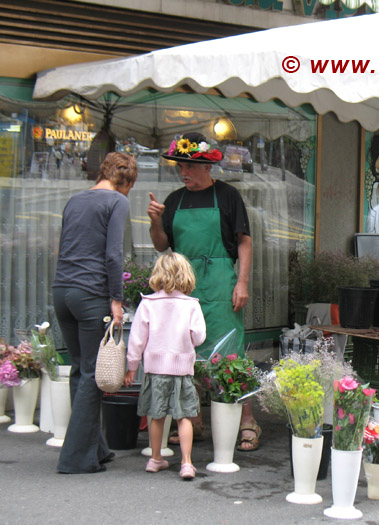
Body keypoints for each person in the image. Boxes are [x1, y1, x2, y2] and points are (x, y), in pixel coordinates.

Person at [147, 132, 260, 451]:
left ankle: (247, 420)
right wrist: (156, 221)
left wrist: (243, 282)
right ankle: (193, 420)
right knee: (186, 352)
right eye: (180, 166)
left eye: (190, 166)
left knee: (230, 353)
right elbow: (161, 244)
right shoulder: (174, 200)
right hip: (182, 286)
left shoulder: (227, 196)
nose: (183, 172)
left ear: (207, 167)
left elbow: (244, 242)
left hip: (221, 283)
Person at [53, 152, 137, 474]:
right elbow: (114, 254)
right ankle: (76, 458)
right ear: (126, 180)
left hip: (62, 291)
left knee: (79, 369)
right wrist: (116, 298)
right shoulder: (116, 202)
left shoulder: (75, 200)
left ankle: (96, 448)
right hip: (90, 295)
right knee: (92, 375)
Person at [124, 252, 206, 480]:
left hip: (155, 369)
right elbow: (199, 337)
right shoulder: (191, 305)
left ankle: (155, 458)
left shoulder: (147, 303)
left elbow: (137, 339)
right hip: (181, 370)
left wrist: (132, 367)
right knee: (185, 416)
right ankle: (187, 463)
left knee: (156, 415)